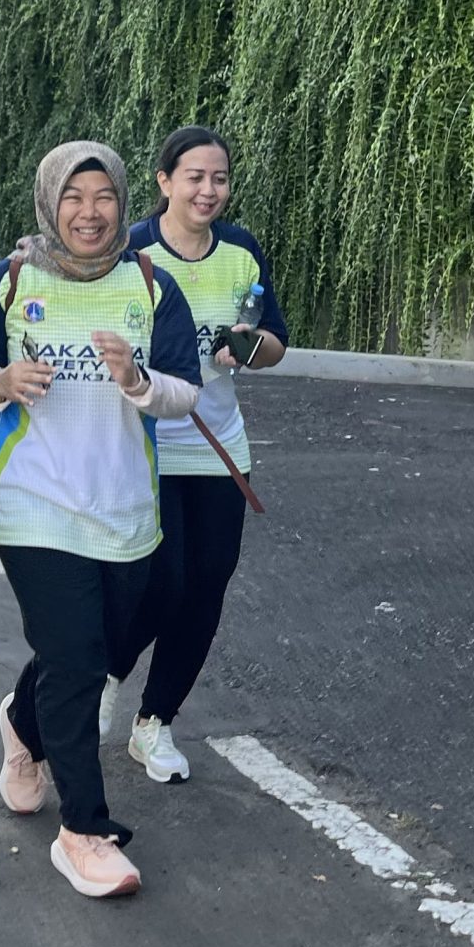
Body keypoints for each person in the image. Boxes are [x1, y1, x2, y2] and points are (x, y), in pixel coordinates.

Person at [0, 141, 199, 901]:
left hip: (125, 505)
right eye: (74, 196)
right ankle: (85, 833)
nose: (89, 212)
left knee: (94, 653)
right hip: (34, 504)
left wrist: (137, 378)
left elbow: (185, 393)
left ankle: (23, 726)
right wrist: (0, 380)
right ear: (48, 202)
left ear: (123, 204)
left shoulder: (150, 283)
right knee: (72, 660)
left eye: (102, 196)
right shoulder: (8, 281)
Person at [119, 125, 288, 781]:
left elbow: (273, 339)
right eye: (194, 177)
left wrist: (247, 345)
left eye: (218, 178)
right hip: (147, 445)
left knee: (206, 585)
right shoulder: (131, 249)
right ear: (164, 182)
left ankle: (155, 722)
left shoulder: (241, 251)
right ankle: (101, 676)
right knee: (160, 583)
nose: (207, 190)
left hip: (219, 451)